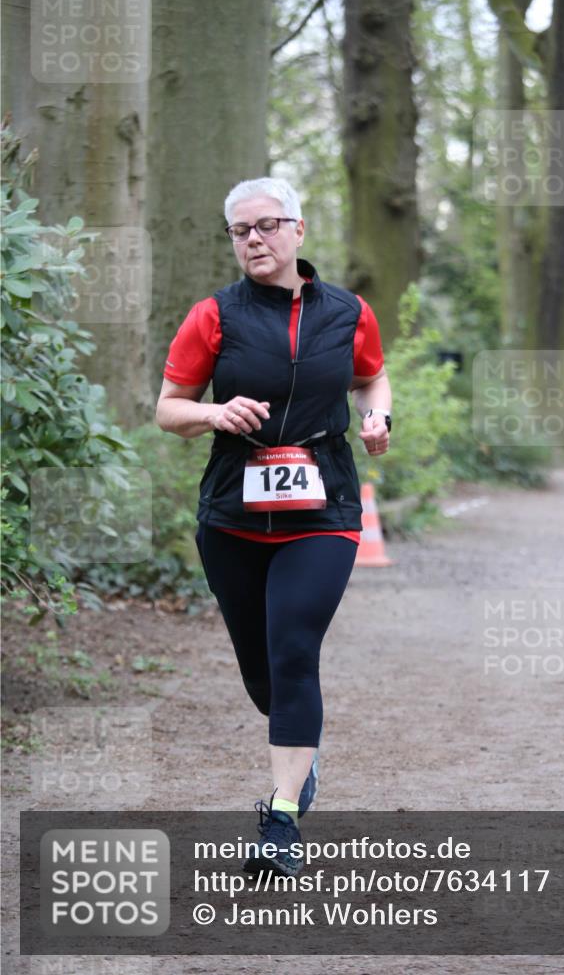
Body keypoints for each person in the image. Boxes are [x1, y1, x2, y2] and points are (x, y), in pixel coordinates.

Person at [155, 177, 392, 874]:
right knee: (262, 675)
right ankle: (300, 754)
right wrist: (211, 414)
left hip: (323, 510)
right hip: (233, 512)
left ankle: (281, 818)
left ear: (298, 229)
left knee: (292, 651)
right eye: (240, 231)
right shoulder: (213, 316)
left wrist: (379, 416)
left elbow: (371, 377)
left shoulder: (347, 311)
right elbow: (169, 408)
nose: (254, 239)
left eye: (266, 225)